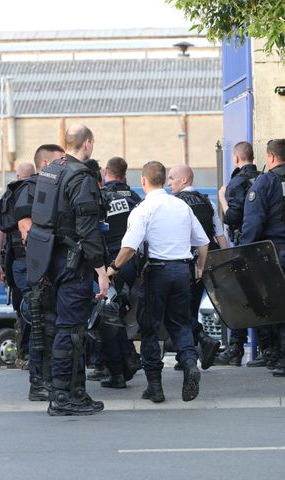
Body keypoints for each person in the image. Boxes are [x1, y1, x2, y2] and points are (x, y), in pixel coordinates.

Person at [108, 161, 208, 403]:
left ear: (143, 181)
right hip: (182, 272)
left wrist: (113, 268)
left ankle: (155, 386)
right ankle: (190, 363)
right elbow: (203, 243)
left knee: (150, 329)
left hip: (156, 273)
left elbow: (130, 247)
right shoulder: (182, 206)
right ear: (163, 180)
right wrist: (199, 269)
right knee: (181, 324)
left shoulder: (143, 210)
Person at [27, 124, 109, 416]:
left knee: (64, 327)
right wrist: (101, 270)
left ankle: (76, 392)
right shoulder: (81, 177)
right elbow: (88, 229)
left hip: (49, 258)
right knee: (71, 330)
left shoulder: (52, 170)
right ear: (87, 143)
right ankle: (63, 396)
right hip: (73, 263)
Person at [240, 139, 285, 377]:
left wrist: (243, 251)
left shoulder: (266, 181)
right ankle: (277, 354)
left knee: (282, 306)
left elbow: (253, 222)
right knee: (281, 302)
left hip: (275, 251)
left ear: (270, 157)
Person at [10, 144, 66, 401]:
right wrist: (40, 269)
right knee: (41, 327)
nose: (64, 165)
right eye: (59, 161)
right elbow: (26, 229)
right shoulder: (30, 189)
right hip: (38, 269)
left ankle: (52, 379)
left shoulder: (55, 188)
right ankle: (38, 383)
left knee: (54, 326)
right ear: (45, 164)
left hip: (56, 268)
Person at [167, 164, 226, 370]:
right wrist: (224, 260)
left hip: (185, 263)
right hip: (207, 262)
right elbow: (219, 235)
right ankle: (186, 355)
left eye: (172, 178)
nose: (169, 182)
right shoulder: (206, 201)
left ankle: (199, 342)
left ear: (184, 180)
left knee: (179, 309)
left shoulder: (175, 204)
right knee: (188, 308)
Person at [217, 141, 269, 367]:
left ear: (236, 158)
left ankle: (235, 348)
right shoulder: (263, 179)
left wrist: (222, 200)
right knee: (262, 298)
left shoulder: (236, 182)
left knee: (239, 298)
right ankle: (266, 349)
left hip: (243, 246)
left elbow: (232, 218)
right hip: (265, 246)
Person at [95, 156, 142, 389]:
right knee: (123, 315)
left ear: (106, 172)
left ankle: (119, 363)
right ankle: (123, 360)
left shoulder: (102, 197)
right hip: (131, 262)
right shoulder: (135, 198)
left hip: (108, 264)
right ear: (125, 175)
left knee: (107, 316)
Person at [0, 161, 36, 368]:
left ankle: (26, 353)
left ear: (18, 175)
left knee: (24, 308)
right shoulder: (42, 190)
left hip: (18, 259)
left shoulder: (8, 196)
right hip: (41, 258)